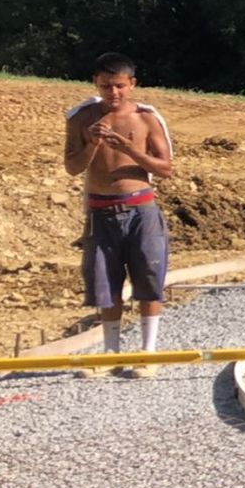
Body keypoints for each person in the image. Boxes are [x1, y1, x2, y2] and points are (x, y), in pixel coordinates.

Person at [63, 53, 174, 377]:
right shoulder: (81, 118)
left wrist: (127, 148)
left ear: (132, 84)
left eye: (119, 86)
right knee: (105, 283)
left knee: (149, 277)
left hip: (141, 210)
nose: (113, 93)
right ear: (95, 84)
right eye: (106, 86)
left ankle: (148, 353)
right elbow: (72, 167)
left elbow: (165, 168)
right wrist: (93, 144)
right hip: (101, 212)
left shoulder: (146, 119)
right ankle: (111, 354)